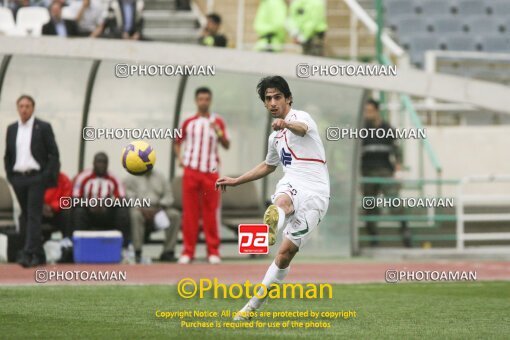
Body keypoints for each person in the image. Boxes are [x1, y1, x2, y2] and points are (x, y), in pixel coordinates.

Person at [216, 76, 329, 319]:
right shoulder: (274, 138)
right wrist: (236, 181)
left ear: (288, 98)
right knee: (283, 198)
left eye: (277, 96)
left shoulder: (300, 117)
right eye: (268, 98)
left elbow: (301, 129)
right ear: (265, 103)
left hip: (317, 192)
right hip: (293, 181)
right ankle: (275, 220)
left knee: (285, 254)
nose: (273, 102)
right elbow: (267, 166)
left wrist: (286, 124)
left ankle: (254, 305)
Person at [173, 87, 230, 264]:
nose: (203, 102)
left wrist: (218, 131)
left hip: (211, 173)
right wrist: (180, 158)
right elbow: (177, 141)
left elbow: (226, 144)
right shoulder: (189, 121)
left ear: (210, 100)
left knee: (210, 212)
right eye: (201, 99)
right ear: (196, 101)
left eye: (206, 99)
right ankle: (187, 251)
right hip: (191, 171)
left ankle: (213, 251)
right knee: (190, 213)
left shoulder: (217, 121)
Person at [4, 95, 60, 267]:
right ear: (17, 108)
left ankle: (29, 252)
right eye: (21, 106)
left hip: (37, 177)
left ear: (33, 107)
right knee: (27, 215)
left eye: (27, 106)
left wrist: (46, 175)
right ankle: (39, 253)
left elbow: (53, 154)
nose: (24, 109)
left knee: (34, 215)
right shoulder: (12, 128)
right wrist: (10, 176)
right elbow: (9, 154)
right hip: (19, 178)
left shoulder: (42, 127)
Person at [361, 99, 411, 248]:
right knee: (369, 206)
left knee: (395, 203)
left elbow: (397, 151)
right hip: (367, 173)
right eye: (365, 111)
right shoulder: (362, 130)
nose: (367, 114)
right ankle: (374, 239)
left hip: (385, 172)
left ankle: (406, 233)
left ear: (377, 111)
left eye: (370, 111)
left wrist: (398, 169)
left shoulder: (388, 129)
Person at [72, 152, 130, 248]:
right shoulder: (83, 177)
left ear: (108, 164)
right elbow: (75, 197)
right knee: (78, 211)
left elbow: (121, 198)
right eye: (99, 162)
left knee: (123, 211)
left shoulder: (114, 178)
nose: (101, 165)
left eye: (104, 162)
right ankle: (77, 246)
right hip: (88, 212)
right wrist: (89, 205)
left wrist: (106, 206)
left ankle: (124, 247)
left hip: (107, 213)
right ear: (93, 163)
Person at [124, 170, 181, 263]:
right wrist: (141, 209)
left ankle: (168, 252)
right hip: (140, 210)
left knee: (175, 215)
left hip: (158, 209)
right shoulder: (131, 178)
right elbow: (128, 196)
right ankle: (137, 252)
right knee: (135, 215)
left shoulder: (160, 177)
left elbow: (169, 196)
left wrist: (160, 207)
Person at [42, 170, 73, 262]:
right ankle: (28, 249)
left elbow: (67, 199)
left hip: (57, 212)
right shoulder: (38, 179)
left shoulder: (64, 180)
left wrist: (52, 207)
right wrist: (41, 207)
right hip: (39, 211)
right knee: (25, 215)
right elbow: (31, 196)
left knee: (68, 213)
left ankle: (66, 247)